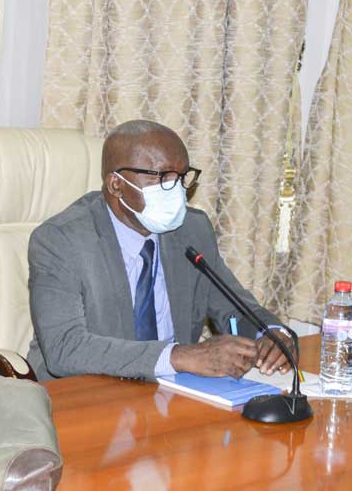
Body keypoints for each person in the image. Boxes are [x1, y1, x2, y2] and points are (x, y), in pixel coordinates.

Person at [27, 120, 296, 382]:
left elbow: (234, 307)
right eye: (163, 177)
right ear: (116, 184)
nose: (177, 190)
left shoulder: (192, 229)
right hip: (86, 391)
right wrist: (178, 356)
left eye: (181, 177)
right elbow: (65, 347)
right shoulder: (60, 241)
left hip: (172, 392)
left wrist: (269, 334)